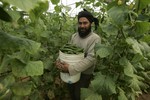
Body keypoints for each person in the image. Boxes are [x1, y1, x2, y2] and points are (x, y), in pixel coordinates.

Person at [55, 9, 101, 100]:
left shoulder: (95, 39)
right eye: (80, 23)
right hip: (69, 70)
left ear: (90, 23)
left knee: (79, 95)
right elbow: (65, 52)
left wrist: (70, 68)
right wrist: (58, 61)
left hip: (84, 73)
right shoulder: (74, 36)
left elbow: (91, 59)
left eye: (85, 23)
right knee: (71, 91)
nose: (82, 26)